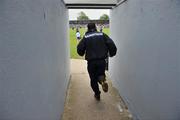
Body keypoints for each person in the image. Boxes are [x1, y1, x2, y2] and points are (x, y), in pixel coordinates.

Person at [77, 23, 117, 101]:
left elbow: (79, 49)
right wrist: (112, 54)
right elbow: (111, 44)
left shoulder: (86, 37)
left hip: (91, 62)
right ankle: (102, 80)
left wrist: (82, 53)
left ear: (87, 28)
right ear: (95, 27)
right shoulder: (102, 34)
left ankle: (97, 94)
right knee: (100, 74)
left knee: (93, 79)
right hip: (102, 61)